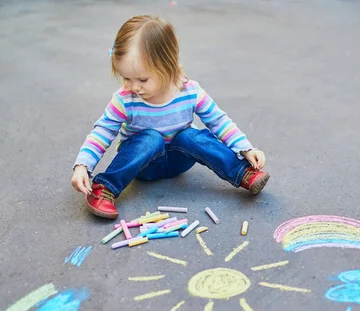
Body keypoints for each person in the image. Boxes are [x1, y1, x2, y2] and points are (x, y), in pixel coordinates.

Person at [71, 15, 269, 219]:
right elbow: (103, 131)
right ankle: (105, 189)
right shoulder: (125, 99)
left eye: (142, 79)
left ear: (168, 66)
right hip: (143, 165)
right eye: (125, 78)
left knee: (189, 136)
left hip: (179, 161)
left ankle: (242, 172)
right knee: (151, 138)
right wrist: (82, 165)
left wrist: (245, 148)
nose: (133, 86)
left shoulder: (189, 91)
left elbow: (218, 121)